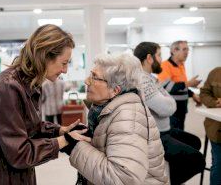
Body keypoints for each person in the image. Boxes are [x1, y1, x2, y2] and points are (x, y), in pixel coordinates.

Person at [0, 24, 91, 185]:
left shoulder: (30, 83)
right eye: (64, 63)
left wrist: (60, 130)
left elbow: (28, 125)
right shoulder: (7, 87)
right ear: (45, 57)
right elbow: (19, 154)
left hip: (13, 171)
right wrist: (64, 139)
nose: (65, 70)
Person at [65, 53, 168, 184]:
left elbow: (122, 178)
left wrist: (76, 146)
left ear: (115, 90)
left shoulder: (128, 117)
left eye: (94, 77)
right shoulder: (107, 109)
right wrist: (91, 139)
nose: (86, 81)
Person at [134, 42, 205, 185]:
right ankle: (166, 181)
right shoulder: (143, 81)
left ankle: (167, 176)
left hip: (165, 129)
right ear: (149, 58)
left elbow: (169, 101)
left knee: (195, 142)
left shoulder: (151, 79)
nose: (161, 59)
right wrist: (169, 100)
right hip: (156, 135)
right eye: (159, 55)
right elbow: (167, 108)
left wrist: (169, 100)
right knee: (198, 161)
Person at [157, 40, 202, 130]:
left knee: (180, 136)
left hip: (182, 109)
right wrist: (189, 83)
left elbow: (182, 87)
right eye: (184, 49)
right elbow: (167, 87)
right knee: (174, 137)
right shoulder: (165, 65)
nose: (187, 52)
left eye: (188, 50)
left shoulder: (181, 65)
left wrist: (192, 94)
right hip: (172, 110)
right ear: (174, 51)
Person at [200, 67, 221, 185]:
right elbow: (204, 93)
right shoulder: (215, 72)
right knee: (218, 166)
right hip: (216, 130)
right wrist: (215, 102)